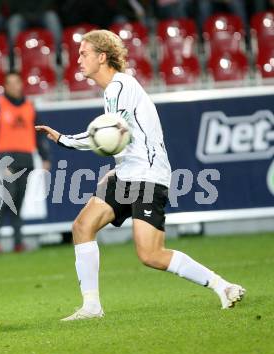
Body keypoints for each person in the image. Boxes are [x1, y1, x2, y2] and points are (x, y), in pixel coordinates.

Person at [36, 30, 245, 321]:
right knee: (82, 226)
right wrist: (116, 171)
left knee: (151, 254)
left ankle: (222, 286)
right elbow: (121, 139)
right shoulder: (114, 89)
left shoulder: (120, 87)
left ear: (102, 56)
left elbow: (108, 133)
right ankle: (92, 306)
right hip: (128, 173)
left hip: (147, 176)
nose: (78, 59)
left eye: (84, 53)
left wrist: (63, 139)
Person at [0, 71, 51, 253]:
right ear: (6, 86)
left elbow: (38, 134)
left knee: (18, 201)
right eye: (11, 83)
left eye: (17, 82)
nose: (15, 86)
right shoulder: (0, 107)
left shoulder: (30, 106)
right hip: (5, 158)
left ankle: (16, 243)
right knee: (10, 198)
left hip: (26, 158)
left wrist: (45, 157)